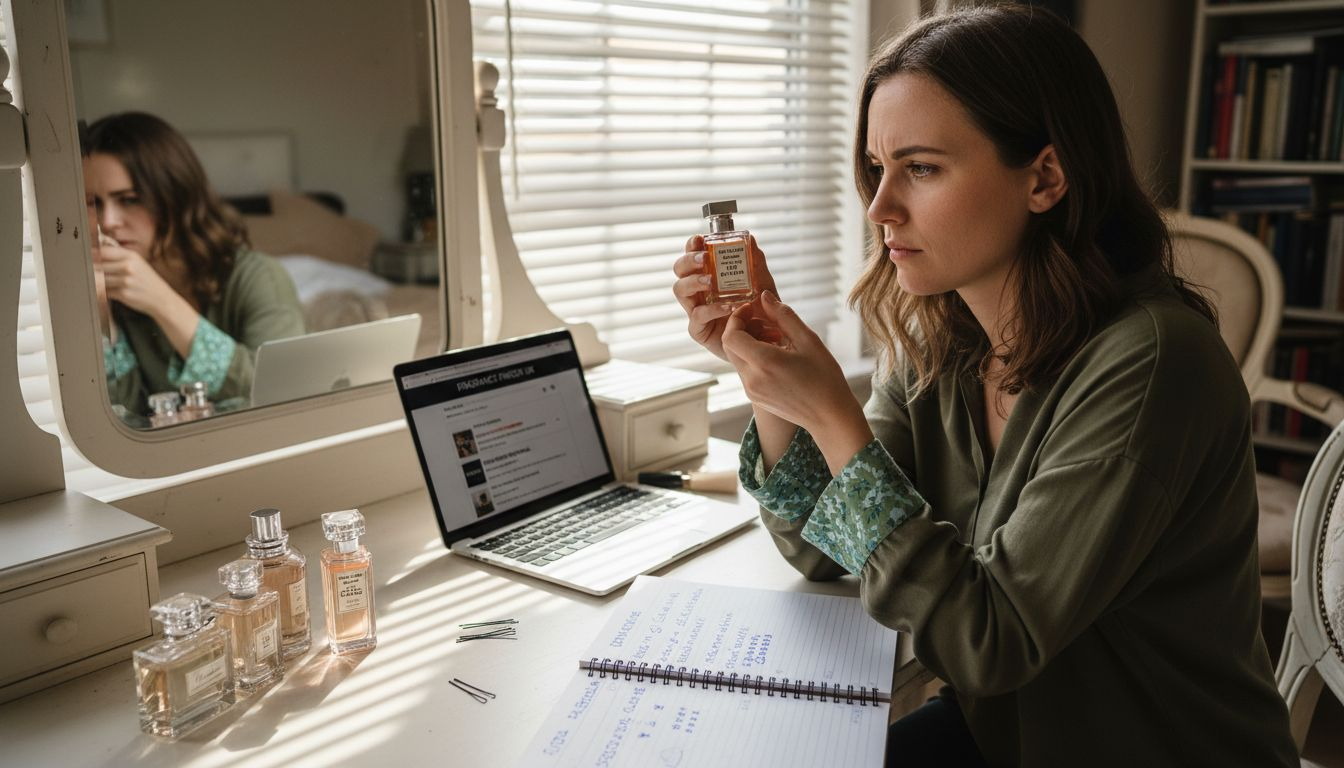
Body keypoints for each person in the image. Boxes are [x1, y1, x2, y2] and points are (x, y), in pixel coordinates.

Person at [672, 5, 1297, 766]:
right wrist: (769, 378)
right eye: (877, 168)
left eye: (922, 168)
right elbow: (826, 550)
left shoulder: (1154, 363)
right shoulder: (938, 341)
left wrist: (835, 416)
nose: (880, 208)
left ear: (1044, 177)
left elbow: (988, 640)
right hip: (1005, 736)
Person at [82, 111, 305, 419]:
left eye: (130, 199)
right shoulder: (111, 291)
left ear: (174, 196)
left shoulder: (257, 277)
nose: (109, 222)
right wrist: (103, 318)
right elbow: (124, 419)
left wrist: (161, 301)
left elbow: (284, 391)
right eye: (93, 204)